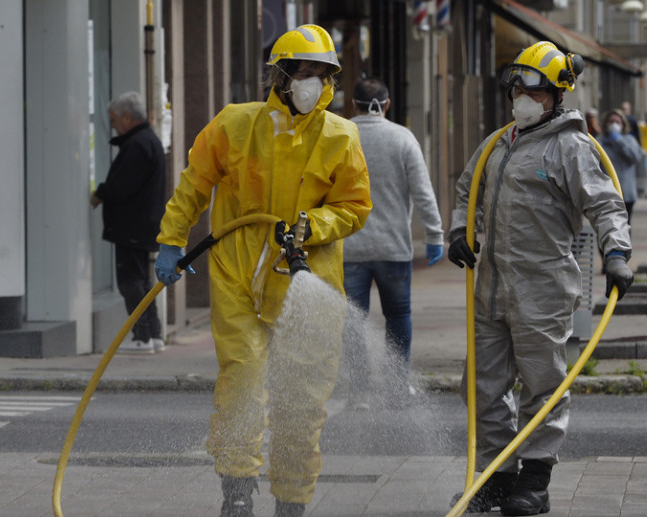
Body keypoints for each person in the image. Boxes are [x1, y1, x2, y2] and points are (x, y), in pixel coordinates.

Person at [154, 25, 371, 517]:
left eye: (322, 73)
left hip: (307, 278)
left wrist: (310, 225)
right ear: (281, 74)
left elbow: (355, 206)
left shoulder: (341, 135)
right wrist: (171, 240)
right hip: (236, 271)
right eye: (304, 71)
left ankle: (291, 503)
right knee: (243, 384)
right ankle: (236, 493)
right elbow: (194, 185)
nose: (312, 82)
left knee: (303, 399)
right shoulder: (234, 125)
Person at [447, 41, 634, 516]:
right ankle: (495, 476)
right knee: (483, 386)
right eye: (517, 86)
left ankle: (535, 479)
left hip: (542, 290)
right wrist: (458, 230)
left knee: (542, 385)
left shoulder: (571, 147)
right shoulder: (498, 143)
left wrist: (616, 254)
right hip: (491, 288)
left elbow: (605, 203)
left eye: (534, 88)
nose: (522, 96)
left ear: (557, 95)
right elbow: (468, 187)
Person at [341, 77, 444, 408]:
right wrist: (434, 235)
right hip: (393, 247)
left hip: (349, 246)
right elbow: (422, 192)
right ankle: (398, 388)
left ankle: (359, 393)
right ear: (386, 106)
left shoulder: (340, 134)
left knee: (353, 321)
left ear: (353, 104)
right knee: (398, 316)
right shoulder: (403, 138)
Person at [90, 91, 166, 354]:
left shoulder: (136, 145)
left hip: (131, 224)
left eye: (114, 119)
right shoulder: (149, 141)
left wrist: (100, 193)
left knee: (130, 281)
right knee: (142, 280)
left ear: (126, 117)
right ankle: (154, 334)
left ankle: (142, 337)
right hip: (143, 223)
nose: (112, 125)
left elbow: (122, 186)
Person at [598, 109, 645, 219]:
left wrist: (620, 142)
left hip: (626, 193)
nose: (614, 124)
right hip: (607, 194)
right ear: (606, 124)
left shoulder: (629, 140)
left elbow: (635, 157)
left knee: (625, 225)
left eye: (617, 122)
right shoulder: (600, 141)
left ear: (623, 124)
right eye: (611, 122)